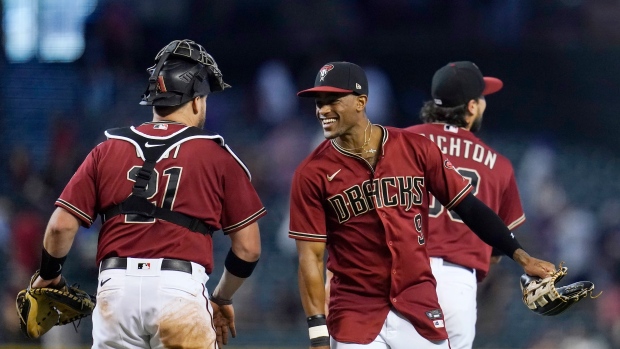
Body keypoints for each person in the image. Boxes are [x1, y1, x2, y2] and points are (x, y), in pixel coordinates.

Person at [289, 61, 555, 349]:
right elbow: (310, 258)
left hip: (417, 303)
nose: (323, 110)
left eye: (333, 100)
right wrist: (317, 335)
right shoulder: (311, 173)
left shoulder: (414, 147)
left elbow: (469, 208)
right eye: (319, 102)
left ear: (361, 102)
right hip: (355, 310)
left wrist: (523, 258)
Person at [29, 39, 266, 349]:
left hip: (115, 292)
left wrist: (49, 275)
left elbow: (60, 226)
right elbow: (248, 248)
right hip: (179, 290)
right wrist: (221, 297)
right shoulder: (216, 155)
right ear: (197, 101)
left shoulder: (106, 149)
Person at [405, 61, 524, 349]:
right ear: (471, 107)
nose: (484, 104)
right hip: (457, 284)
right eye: (481, 99)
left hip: (400, 275)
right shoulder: (498, 165)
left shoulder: (399, 142)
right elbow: (497, 251)